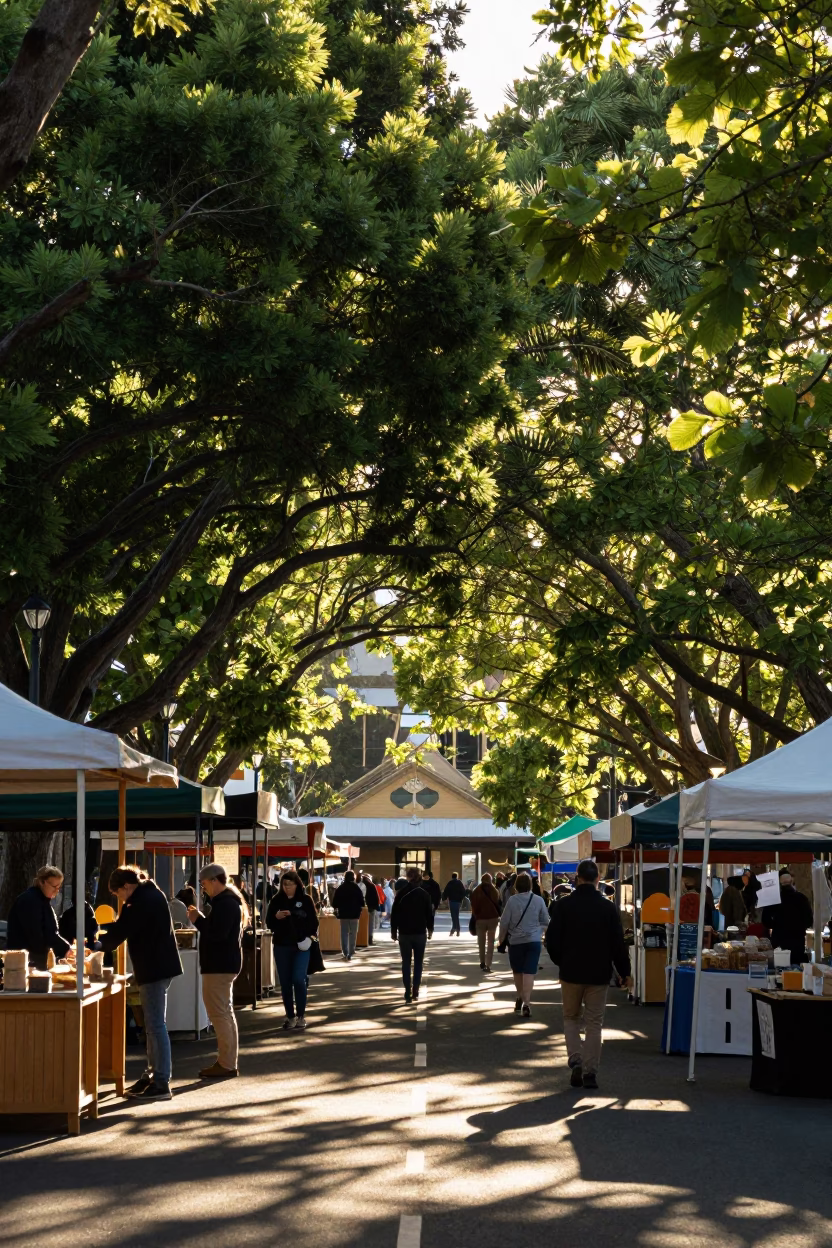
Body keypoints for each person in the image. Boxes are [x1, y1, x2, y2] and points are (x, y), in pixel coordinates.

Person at [545, 859, 632, 1090]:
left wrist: (561, 961)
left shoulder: (563, 906)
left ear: (577, 878)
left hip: (571, 971)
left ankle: (575, 1058)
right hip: (599, 973)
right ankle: (590, 1072)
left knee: (571, 1018)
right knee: (594, 1023)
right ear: (597, 880)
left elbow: (551, 941)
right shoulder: (607, 908)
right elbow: (618, 944)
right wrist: (625, 972)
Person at [99, 865, 183, 1101]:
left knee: (155, 1026)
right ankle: (152, 1074)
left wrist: (97, 943)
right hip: (156, 967)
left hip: (154, 968)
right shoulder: (146, 895)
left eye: (118, 894)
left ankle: (161, 1081)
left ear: (126, 886)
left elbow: (123, 929)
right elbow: (123, 927)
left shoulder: (141, 901)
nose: (119, 899)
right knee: (152, 1026)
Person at [188, 863, 247, 1077]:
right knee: (225, 1013)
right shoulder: (230, 901)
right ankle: (228, 1061)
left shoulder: (225, 904)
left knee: (219, 1014)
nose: (203, 889)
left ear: (215, 880)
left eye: (204, 884)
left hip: (218, 966)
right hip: (225, 965)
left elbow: (217, 934)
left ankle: (226, 1063)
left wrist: (198, 921)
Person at [266, 870, 320, 1030]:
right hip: (282, 945)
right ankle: (290, 1016)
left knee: (298, 979)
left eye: (290, 885)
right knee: (285, 983)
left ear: (297, 884)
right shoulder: (276, 900)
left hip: (301, 945)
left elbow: (313, 922)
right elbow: (269, 922)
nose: (287, 887)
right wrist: (276, 918)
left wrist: (295, 915)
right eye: (284, 885)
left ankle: (301, 1015)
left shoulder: (306, 899)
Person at [498, 872, 550, 1017]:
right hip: (533, 941)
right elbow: (546, 921)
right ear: (530, 885)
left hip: (516, 942)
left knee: (518, 971)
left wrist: (501, 938)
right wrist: (540, 932)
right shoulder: (539, 900)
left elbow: (504, 921)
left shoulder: (512, 901)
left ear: (516, 886)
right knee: (529, 972)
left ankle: (520, 996)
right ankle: (527, 1003)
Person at [7, 865, 71, 969]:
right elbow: (36, 935)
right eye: (54, 887)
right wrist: (62, 947)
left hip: (35, 957)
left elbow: (50, 931)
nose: (57, 891)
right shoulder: (29, 901)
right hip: (23, 961)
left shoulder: (42, 900)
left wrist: (65, 947)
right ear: (42, 882)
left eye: (59, 887)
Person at [390, 867, 434, 1003]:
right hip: (420, 932)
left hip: (404, 932)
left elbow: (394, 914)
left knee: (406, 962)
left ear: (408, 877)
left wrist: (393, 931)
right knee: (418, 962)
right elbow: (429, 914)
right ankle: (416, 988)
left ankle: (407, 989)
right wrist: (430, 929)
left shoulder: (401, 894)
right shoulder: (424, 894)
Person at [762, 869, 814, 964]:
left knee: (780, 967)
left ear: (780, 884)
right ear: (792, 882)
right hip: (797, 941)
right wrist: (799, 926)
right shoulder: (802, 898)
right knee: (796, 968)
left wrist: (776, 925)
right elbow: (809, 920)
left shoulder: (774, 899)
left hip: (779, 940)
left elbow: (765, 920)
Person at [470, 872, 501, 972]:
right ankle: (488, 964)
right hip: (493, 919)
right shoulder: (495, 891)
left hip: (480, 920)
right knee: (491, 942)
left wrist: (476, 915)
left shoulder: (476, 891)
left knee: (481, 942)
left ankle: (482, 961)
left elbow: (473, 906)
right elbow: (498, 902)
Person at [332, 869, 365, 961]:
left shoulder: (340, 888)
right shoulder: (356, 888)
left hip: (343, 914)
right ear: (353, 878)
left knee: (344, 933)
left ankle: (345, 951)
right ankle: (351, 951)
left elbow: (334, 903)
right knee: (353, 933)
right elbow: (362, 902)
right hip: (355, 914)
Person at [442, 872, 467, 936]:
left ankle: (454, 928)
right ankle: (457, 929)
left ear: (452, 877)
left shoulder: (450, 883)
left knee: (453, 915)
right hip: (458, 901)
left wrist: (444, 899)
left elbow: (446, 891)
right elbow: (464, 892)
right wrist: (461, 899)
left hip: (452, 901)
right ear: (457, 876)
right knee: (456, 915)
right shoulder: (460, 883)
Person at [362, 873, 380, 945]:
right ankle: (370, 939)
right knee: (370, 924)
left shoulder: (359, 885)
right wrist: (376, 906)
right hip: (371, 907)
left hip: (362, 908)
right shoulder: (372, 885)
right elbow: (376, 897)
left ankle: (363, 939)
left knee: (363, 924)